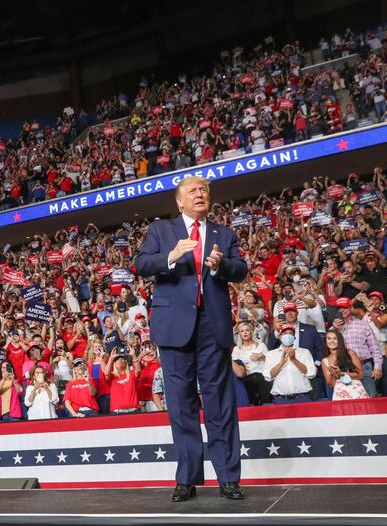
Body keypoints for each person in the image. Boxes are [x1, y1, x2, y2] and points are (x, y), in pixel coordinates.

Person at [134, 177, 247, 501]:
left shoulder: (224, 234)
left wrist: (220, 265)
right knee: (181, 406)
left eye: (204, 191)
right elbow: (141, 264)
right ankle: (187, 478)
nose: (200, 194)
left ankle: (228, 478)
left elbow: (241, 269)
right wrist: (170, 256)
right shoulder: (161, 230)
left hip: (213, 326)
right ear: (179, 201)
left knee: (221, 405)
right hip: (173, 328)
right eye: (193, 191)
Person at [263, 324, 317, 403]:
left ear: (294, 338)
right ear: (280, 337)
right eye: (285, 333)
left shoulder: (304, 352)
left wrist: (294, 359)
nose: (288, 335)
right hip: (280, 399)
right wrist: (281, 363)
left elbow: (311, 373)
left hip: (302, 397)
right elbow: (268, 376)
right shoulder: (271, 354)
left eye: (290, 333)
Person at [321, 329, 369, 400]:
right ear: (325, 341)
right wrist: (333, 374)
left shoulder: (350, 353)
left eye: (335, 338)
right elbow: (331, 383)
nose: (332, 341)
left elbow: (360, 375)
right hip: (340, 393)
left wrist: (342, 374)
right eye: (329, 338)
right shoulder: (325, 361)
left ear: (339, 341)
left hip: (355, 391)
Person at [232, 321, 272, 405]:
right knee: (249, 403)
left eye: (247, 330)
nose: (245, 333)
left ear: (251, 332)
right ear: (239, 334)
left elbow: (271, 362)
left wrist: (263, 356)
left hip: (262, 378)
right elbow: (234, 366)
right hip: (246, 378)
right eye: (242, 331)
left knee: (266, 403)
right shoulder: (236, 349)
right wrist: (241, 366)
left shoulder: (261, 345)